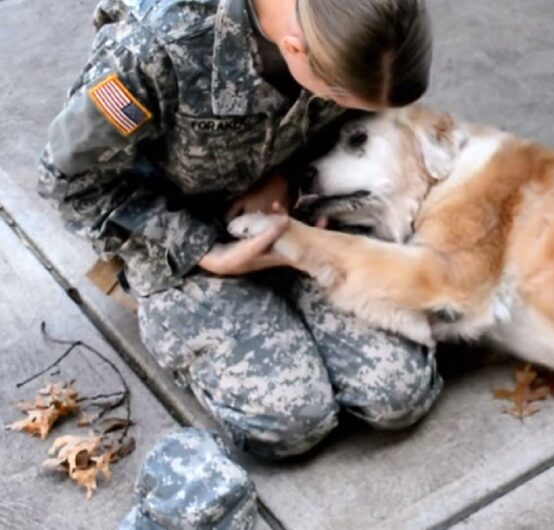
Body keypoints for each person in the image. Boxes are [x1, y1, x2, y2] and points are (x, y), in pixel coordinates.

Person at [37, 0, 443, 460]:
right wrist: (207, 251)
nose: (338, 106)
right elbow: (68, 181)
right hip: (183, 235)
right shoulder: (154, 49)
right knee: (293, 424)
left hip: (297, 209)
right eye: (337, 96)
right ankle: (164, 304)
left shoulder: (363, 21)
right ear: (295, 48)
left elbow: (360, 114)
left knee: (397, 394)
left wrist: (287, 181)